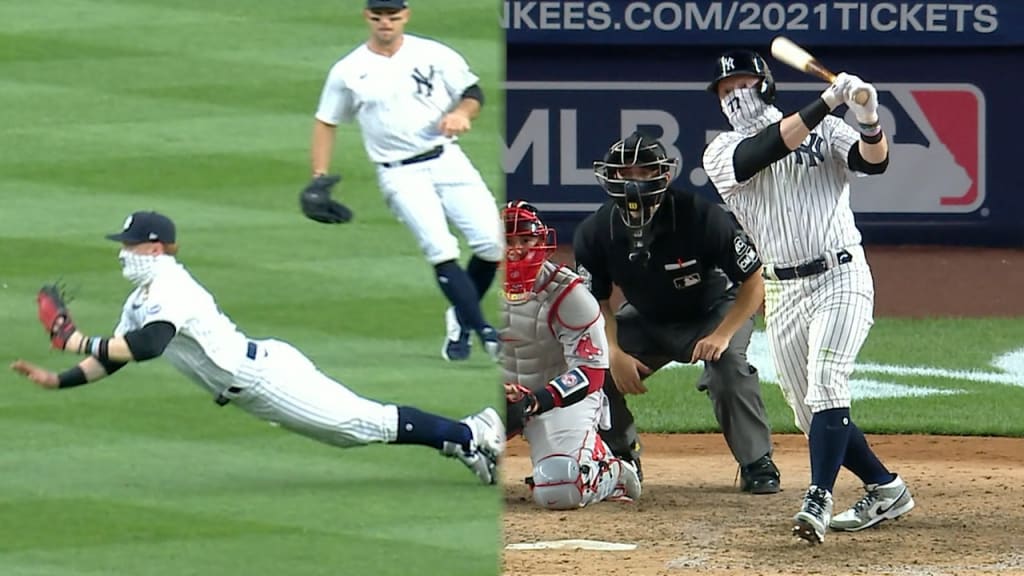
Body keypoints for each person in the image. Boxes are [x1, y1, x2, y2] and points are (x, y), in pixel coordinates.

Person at [11, 211, 504, 485]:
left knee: (359, 425)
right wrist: (60, 378)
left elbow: (148, 345)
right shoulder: (142, 297)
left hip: (265, 378)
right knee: (350, 431)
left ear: (156, 247)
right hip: (254, 379)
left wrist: (74, 337)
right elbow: (114, 357)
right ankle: (459, 441)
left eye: (131, 244)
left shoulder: (169, 288)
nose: (123, 251)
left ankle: (469, 432)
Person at [702, 50, 915, 545]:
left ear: (767, 84)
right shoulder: (720, 152)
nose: (735, 96)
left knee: (826, 381)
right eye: (725, 90)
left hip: (841, 275)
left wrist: (867, 118)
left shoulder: (826, 131)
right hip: (782, 289)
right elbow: (763, 152)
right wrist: (827, 100)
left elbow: (872, 163)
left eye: (743, 84)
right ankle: (886, 488)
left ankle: (818, 497)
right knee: (808, 411)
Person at [573, 131, 780, 494]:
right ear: (610, 177)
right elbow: (596, 303)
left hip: (714, 309)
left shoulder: (699, 216)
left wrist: (722, 334)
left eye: (643, 171)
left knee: (729, 364)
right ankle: (621, 456)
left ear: (664, 175)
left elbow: (754, 281)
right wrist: (615, 352)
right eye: (625, 173)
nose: (634, 181)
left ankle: (756, 461)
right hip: (647, 318)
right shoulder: (595, 231)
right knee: (594, 367)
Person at [301, 0, 502, 362]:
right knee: (441, 249)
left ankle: (460, 314)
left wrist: (461, 112)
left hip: (447, 159)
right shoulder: (349, 70)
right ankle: (485, 331)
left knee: (492, 244)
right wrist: (318, 176)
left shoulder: (433, 54)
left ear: (405, 16)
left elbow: (473, 92)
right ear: (367, 17)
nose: (385, 24)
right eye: (378, 17)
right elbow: (326, 120)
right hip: (399, 173)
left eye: (393, 17)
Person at [500, 200, 641, 509]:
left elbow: (591, 374)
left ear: (541, 242)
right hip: (498, 397)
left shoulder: (568, 293)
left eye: (525, 240)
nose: (516, 250)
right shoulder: (469, 289)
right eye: (507, 241)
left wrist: (534, 400)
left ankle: (612, 470)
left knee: (558, 488)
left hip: (558, 401)